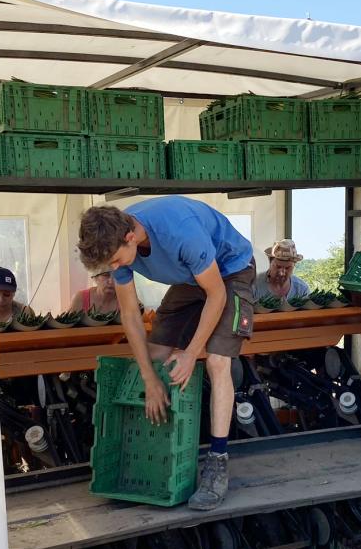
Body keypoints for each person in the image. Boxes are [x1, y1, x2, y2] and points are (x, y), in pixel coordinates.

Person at [77, 196, 254, 511]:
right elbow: (130, 315)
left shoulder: (180, 233)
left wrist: (189, 353)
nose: (115, 269)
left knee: (216, 360)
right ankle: (156, 451)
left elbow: (216, 295)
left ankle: (217, 463)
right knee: (154, 355)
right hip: (191, 277)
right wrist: (150, 378)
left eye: (117, 261)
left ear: (130, 237)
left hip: (230, 272)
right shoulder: (116, 240)